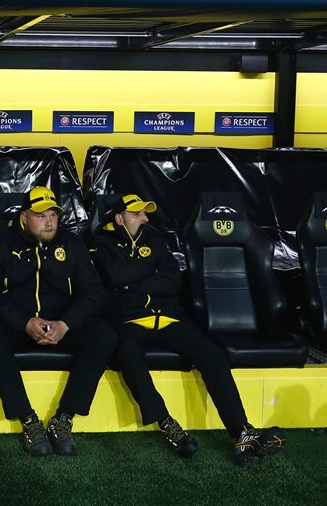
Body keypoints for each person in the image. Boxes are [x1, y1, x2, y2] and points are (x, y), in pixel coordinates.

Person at [92, 194, 286, 465]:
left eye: (145, 213)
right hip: (129, 321)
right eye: (137, 214)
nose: (145, 218)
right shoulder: (100, 242)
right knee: (128, 353)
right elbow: (114, 276)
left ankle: (242, 433)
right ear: (119, 218)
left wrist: (131, 280)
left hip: (170, 318)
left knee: (212, 354)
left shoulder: (156, 239)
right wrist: (150, 269)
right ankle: (166, 423)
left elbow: (172, 282)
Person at [0, 186, 117, 457]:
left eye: (53, 214)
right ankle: (28, 420)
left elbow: (94, 292)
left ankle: (63, 419)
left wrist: (66, 324)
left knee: (104, 335)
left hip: (62, 325)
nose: (49, 221)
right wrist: (24, 321)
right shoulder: (0, 243)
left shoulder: (71, 243)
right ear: (24, 217)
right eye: (41, 215)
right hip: (18, 324)